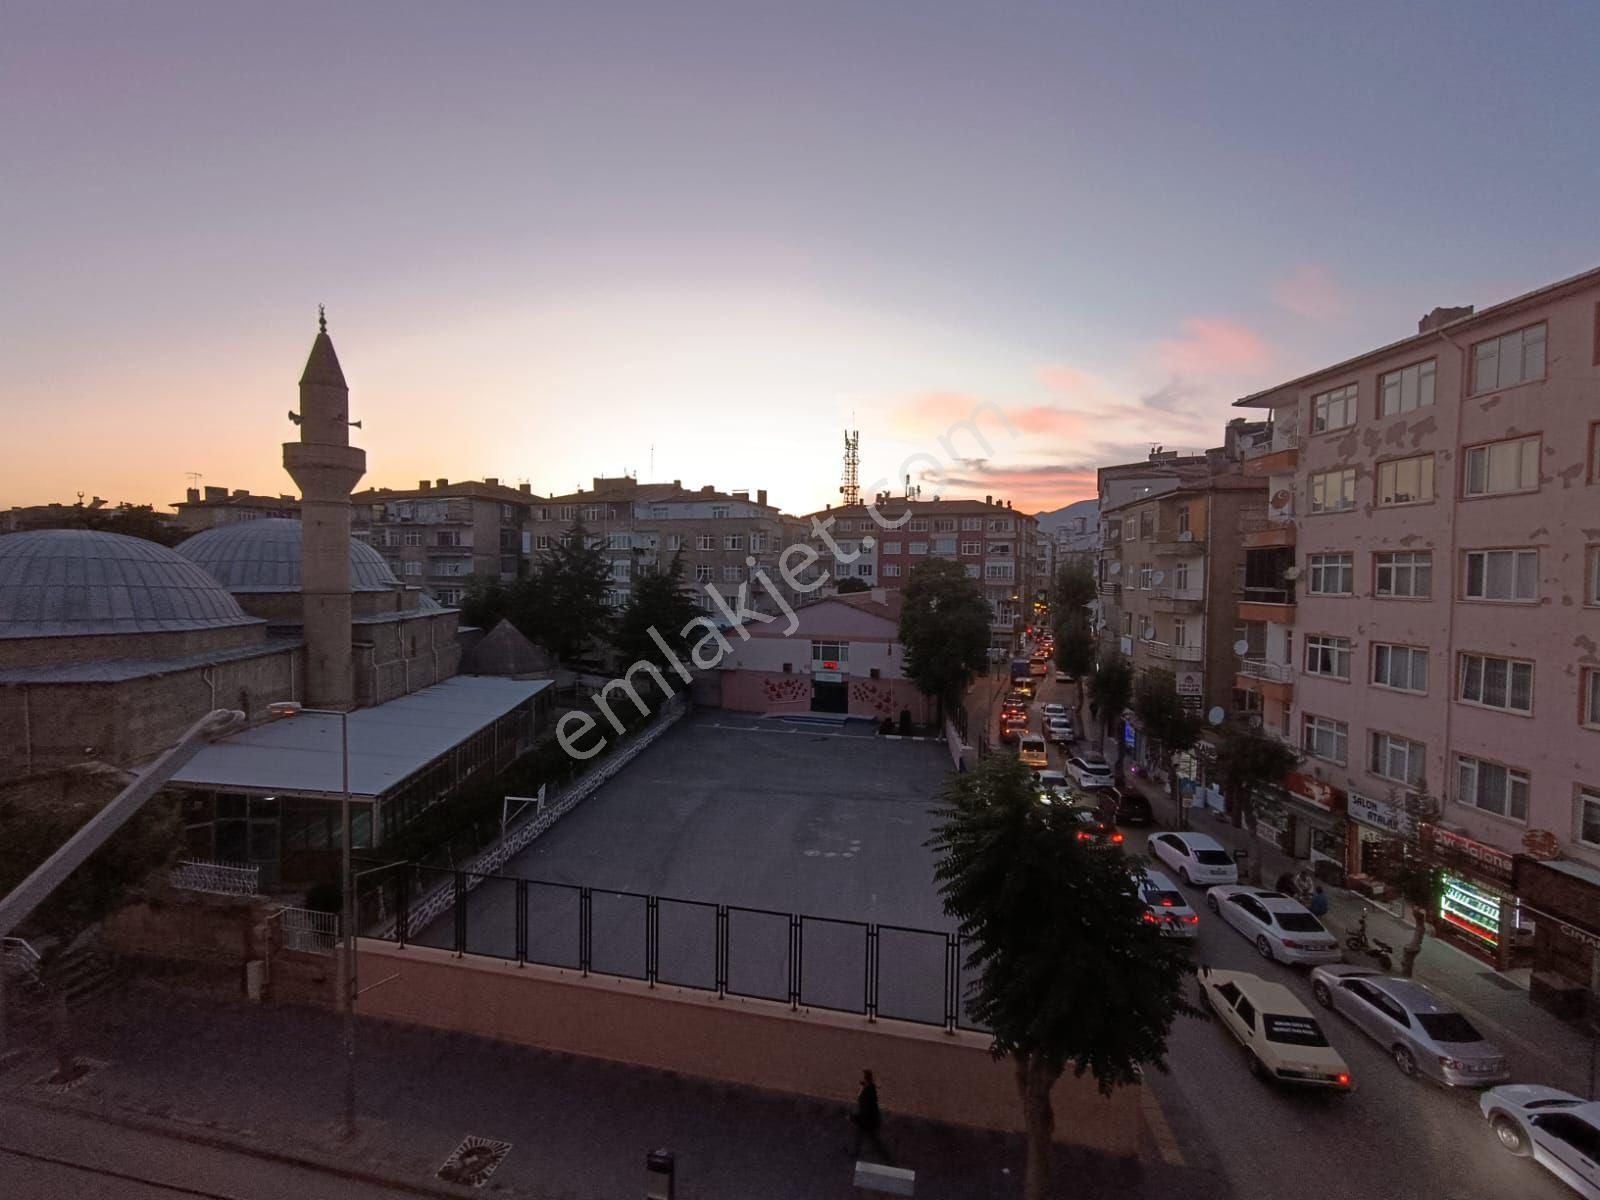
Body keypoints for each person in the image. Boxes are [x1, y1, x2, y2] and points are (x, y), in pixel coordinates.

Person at [848, 1069, 892, 1162]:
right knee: (869, 1138)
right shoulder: (871, 1088)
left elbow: (865, 1111)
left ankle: (855, 1153)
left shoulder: (866, 1095)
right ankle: (856, 1151)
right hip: (871, 1120)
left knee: (863, 1137)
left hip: (867, 1121)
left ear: (866, 1080)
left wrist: (853, 1117)